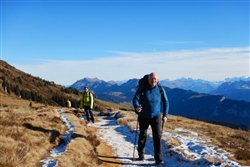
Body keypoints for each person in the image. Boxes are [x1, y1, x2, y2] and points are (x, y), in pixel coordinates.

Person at [133, 72, 169, 164]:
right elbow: (135, 99)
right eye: (152, 79)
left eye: (155, 79)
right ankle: (141, 154)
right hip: (143, 116)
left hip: (156, 116)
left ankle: (158, 158)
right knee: (143, 136)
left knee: (157, 137)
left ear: (157, 80)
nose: (153, 80)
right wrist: (137, 107)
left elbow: (166, 102)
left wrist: (165, 115)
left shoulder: (160, 89)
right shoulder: (143, 88)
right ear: (148, 79)